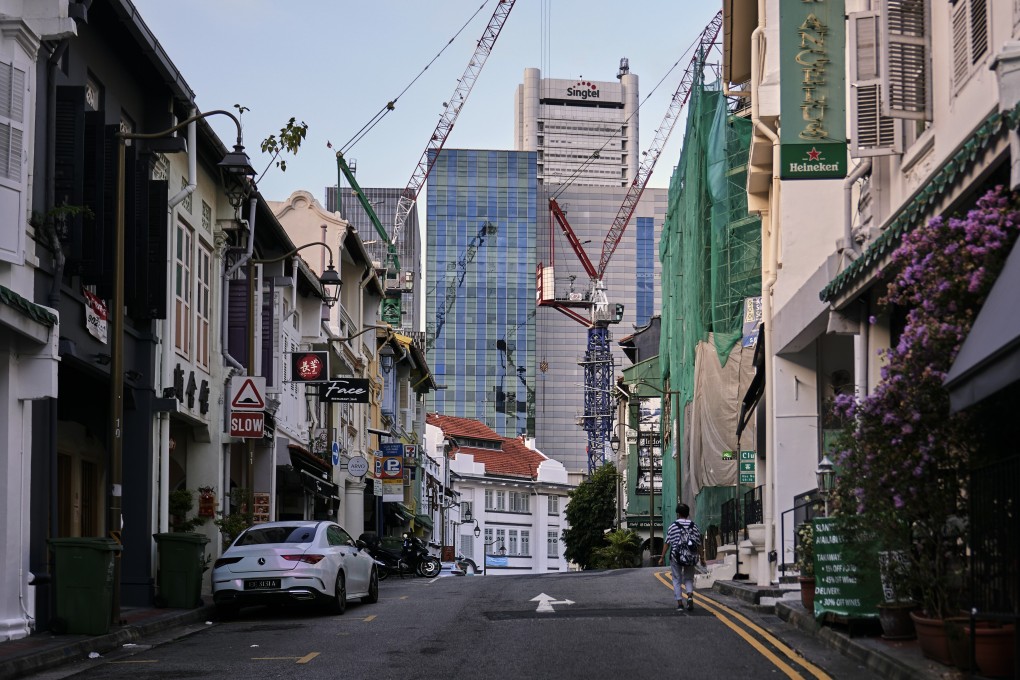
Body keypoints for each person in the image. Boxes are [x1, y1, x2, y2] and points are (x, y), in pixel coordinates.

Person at [658, 502, 704, 611]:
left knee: (676, 579)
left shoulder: (673, 526)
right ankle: (689, 596)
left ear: (678, 514)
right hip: (690, 557)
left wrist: (662, 557)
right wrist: (702, 558)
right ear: (688, 514)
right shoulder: (694, 526)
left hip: (676, 557)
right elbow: (699, 544)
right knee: (688, 578)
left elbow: (667, 543)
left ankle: (679, 604)